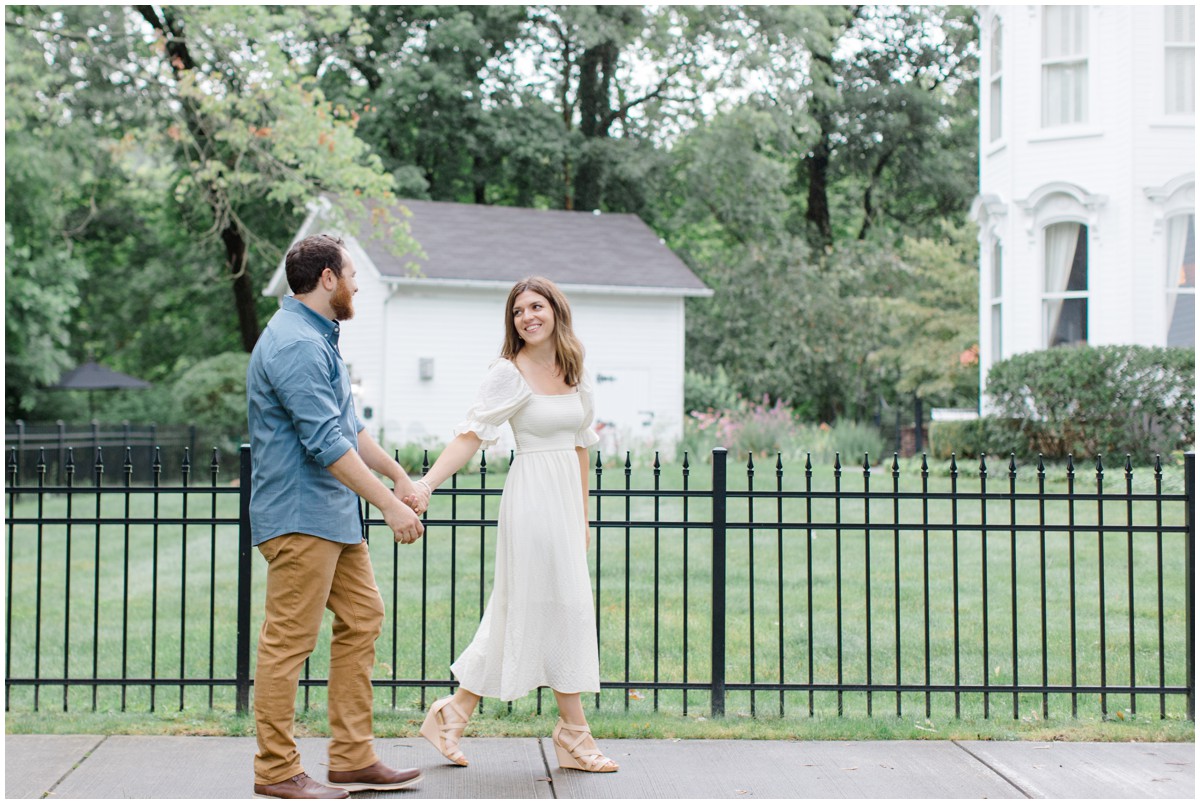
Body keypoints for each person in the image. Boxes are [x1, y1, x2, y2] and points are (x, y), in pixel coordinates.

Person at [404, 276, 618, 774]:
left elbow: (582, 444)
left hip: (565, 502)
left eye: (536, 306)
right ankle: (574, 734)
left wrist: (583, 516)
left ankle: (454, 713)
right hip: (531, 501)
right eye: (519, 311)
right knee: (557, 606)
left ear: (555, 310)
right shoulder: (508, 372)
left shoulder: (575, 364)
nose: (528, 317)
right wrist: (427, 485)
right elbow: (471, 435)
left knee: (532, 608)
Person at [246, 233, 426, 799]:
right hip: (301, 517)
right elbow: (325, 442)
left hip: (331, 514)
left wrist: (397, 474)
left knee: (363, 616)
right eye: (351, 274)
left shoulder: (317, 336)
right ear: (327, 278)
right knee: (288, 643)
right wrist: (390, 504)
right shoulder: (296, 344)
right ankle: (276, 771)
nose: (355, 285)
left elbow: (349, 428)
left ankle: (351, 758)